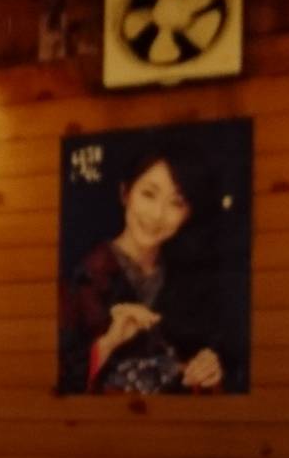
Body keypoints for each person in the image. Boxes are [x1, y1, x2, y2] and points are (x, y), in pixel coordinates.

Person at [59, 140, 228, 394]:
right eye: (149, 194)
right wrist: (108, 343)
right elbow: (58, 383)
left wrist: (207, 370)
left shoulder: (190, 283)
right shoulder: (79, 278)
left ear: (188, 214)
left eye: (176, 203)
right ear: (125, 194)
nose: (157, 215)